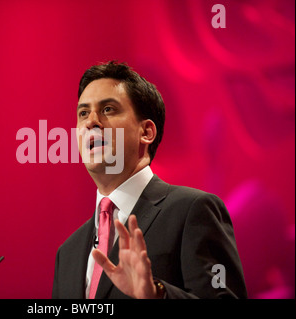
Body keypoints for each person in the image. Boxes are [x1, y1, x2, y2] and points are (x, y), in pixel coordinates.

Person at [52, 61, 248, 299]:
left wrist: (157, 294)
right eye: (83, 113)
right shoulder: (68, 253)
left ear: (146, 132)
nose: (91, 122)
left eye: (108, 109)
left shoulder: (193, 211)